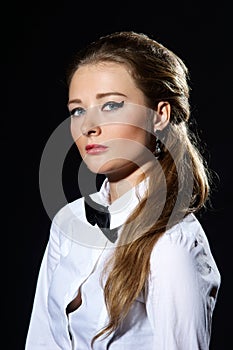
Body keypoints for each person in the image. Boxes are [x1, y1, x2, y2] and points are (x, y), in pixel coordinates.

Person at [25, 31, 221, 349]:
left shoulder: (171, 244)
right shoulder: (70, 220)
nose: (88, 125)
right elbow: (41, 339)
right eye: (77, 110)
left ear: (160, 115)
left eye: (112, 104)